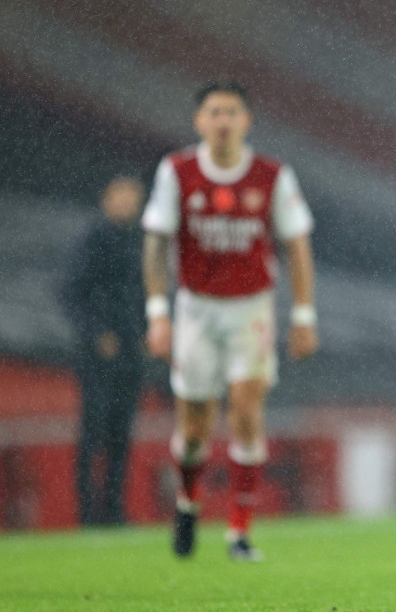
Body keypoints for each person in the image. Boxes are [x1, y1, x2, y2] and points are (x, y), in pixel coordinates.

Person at [141, 79, 319, 561]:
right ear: (200, 121)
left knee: (245, 409)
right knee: (195, 428)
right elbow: (157, 242)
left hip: (251, 309)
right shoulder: (176, 171)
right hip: (196, 308)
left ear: (246, 120)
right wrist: (158, 314)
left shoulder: (271, 175)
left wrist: (303, 313)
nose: (223, 121)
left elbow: (297, 243)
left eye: (231, 112)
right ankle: (188, 502)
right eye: (214, 113)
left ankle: (239, 531)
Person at [59, 176, 147, 527]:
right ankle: (86, 513)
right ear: (106, 198)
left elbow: (147, 290)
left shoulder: (140, 240)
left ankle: (113, 510)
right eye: (121, 196)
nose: (127, 203)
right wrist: (97, 333)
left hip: (131, 350)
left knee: (121, 431)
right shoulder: (90, 238)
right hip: (96, 355)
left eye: (133, 197)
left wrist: (146, 330)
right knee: (94, 429)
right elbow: (68, 291)